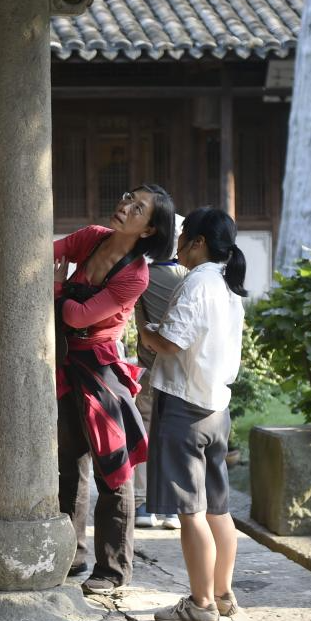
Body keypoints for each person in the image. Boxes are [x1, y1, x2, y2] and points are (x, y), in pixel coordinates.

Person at [54, 184, 176, 596]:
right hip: (67, 363)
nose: (125, 206)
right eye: (127, 197)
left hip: (101, 371)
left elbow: (78, 316)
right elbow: (43, 255)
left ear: (148, 230)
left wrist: (56, 288)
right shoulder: (92, 237)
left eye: (138, 208)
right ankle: (69, 555)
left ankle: (113, 570)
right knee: (69, 463)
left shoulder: (135, 274)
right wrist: (57, 286)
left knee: (113, 469)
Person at [138, 207, 247, 621]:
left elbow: (172, 343)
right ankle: (222, 594)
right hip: (216, 406)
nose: (178, 243)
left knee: (191, 511)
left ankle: (200, 604)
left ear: (198, 242)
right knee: (218, 509)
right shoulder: (226, 282)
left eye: (183, 236)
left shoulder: (197, 282)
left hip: (184, 406)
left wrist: (145, 331)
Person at [132, 217, 188, 531]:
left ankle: (143, 503)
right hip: (183, 374)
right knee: (175, 436)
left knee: (144, 431)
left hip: (150, 369)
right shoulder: (191, 278)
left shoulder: (142, 274)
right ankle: (172, 508)